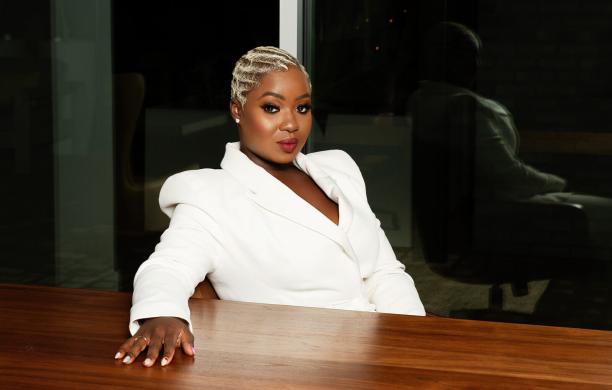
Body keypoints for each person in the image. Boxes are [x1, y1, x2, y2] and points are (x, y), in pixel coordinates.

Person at [114, 46, 425, 367]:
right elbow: (168, 266)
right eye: (272, 108)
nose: (291, 123)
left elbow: (384, 271)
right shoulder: (210, 193)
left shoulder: (339, 169)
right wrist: (161, 313)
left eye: (302, 108)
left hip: (383, 353)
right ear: (237, 110)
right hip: (301, 367)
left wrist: (415, 338)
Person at [410, 22, 612, 247]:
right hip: (499, 215)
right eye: (467, 56)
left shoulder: (421, 102)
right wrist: (559, 183)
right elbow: (507, 176)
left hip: (472, 219)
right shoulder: (464, 108)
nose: (475, 65)